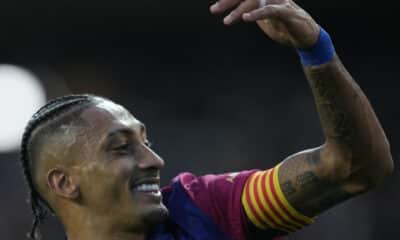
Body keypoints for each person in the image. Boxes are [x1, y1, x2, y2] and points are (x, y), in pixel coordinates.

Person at [19, 0, 393, 239]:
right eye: (120, 148)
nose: (154, 161)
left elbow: (354, 168)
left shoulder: (201, 210)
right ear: (65, 183)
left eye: (145, 143)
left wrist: (317, 52)